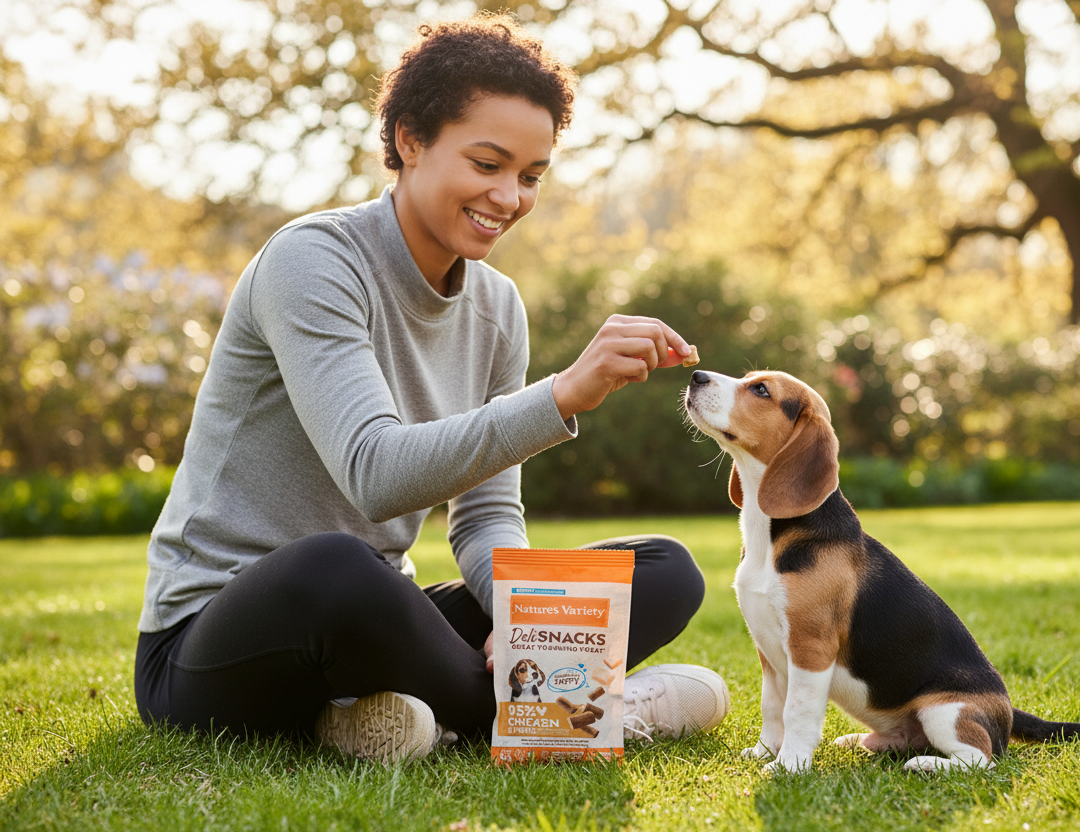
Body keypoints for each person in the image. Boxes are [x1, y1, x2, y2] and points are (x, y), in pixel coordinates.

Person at [133, 13, 729, 763]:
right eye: (487, 164)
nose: (509, 196)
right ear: (410, 140)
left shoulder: (497, 308)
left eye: (530, 176)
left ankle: (381, 716)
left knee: (662, 570)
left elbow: (485, 516)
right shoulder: (312, 262)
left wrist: (518, 613)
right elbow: (376, 474)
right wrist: (561, 396)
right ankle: (588, 707)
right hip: (213, 638)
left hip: (373, 619)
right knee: (336, 565)